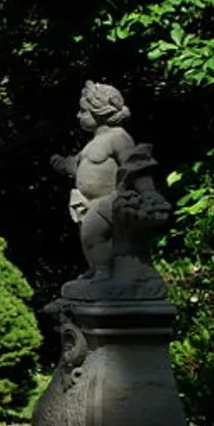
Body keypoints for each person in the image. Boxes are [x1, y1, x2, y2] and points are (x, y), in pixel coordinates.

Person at [50, 81, 167, 292]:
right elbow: (86, 170)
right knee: (89, 237)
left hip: (110, 200)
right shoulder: (94, 142)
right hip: (89, 202)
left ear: (100, 111)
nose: (79, 116)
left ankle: (105, 272)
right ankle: (97, 270)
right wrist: (67, 167)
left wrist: (148, 193)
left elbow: (135, 166)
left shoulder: (118, 137)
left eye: (83, 111)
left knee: (92, 234)